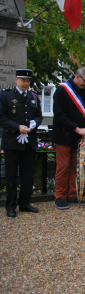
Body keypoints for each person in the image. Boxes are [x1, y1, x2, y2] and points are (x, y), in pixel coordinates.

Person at [0, 69, 42, 217]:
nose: (26, 83)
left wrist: (33, 124)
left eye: (28, 81)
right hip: (12, 141)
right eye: (23, 80)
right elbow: (2, 119)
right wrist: (18, 127)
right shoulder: (5, 96)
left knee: (27, 175)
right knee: (11, 176)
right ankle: (11, 206)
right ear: (16, 80)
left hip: (28, 142)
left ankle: (24, 203)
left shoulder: (34, 97)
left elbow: (38, 116)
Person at [52, 67, 85, 210]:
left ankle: (72, 194)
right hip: (64, 134)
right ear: (77, 77)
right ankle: (60, 196)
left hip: (79, 136)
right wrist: (77, 128)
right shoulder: (62, 90)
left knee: (76, 167)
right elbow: (60, 115)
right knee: (63, 167)